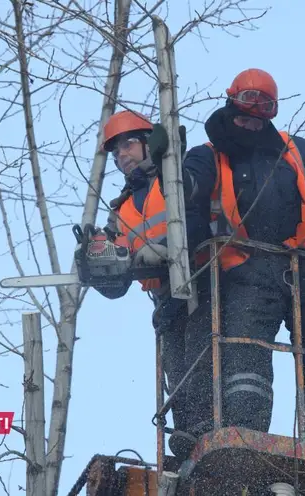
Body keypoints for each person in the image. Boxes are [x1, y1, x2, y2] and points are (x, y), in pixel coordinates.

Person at [147, 69, 305, 452]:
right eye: (245, 112)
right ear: (231, 105)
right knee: (245, 363)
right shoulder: (209, 155)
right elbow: (185, 192)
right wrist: (168, 162)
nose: (251, 122)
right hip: (247, 268)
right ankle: (247, 442)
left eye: (260, 114)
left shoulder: (294, 149)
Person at [91, 110, 212, 464]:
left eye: (127, 145)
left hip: (202, 283)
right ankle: (188, 439)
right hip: (165, 298)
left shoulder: (176, 178)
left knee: (202, 359)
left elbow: (199, 220)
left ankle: (211, 428)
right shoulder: (121, 211)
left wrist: (169, 248)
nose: (121, 156)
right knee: (176, 369)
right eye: (115, 153)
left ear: (147, 144)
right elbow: (117, 286)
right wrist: (99, 267)